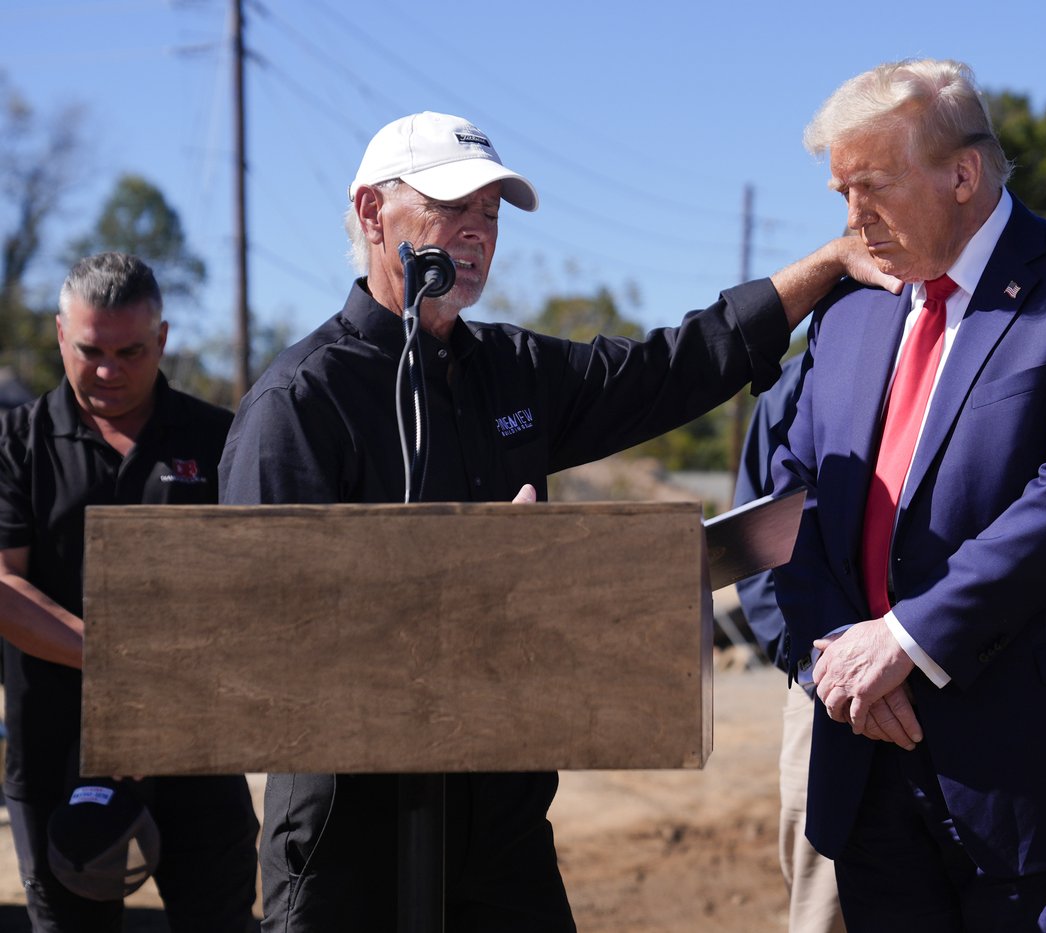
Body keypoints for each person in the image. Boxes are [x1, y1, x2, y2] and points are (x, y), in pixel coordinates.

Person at [217, 110, 895, 932]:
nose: (475, 233)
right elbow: (263, 639)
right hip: (351, 835)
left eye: (491, 214)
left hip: (501, 820)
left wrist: (827, 266)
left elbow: (671, 367)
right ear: (370, 212)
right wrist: (469, 577)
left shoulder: (512, 370)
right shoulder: (299, 403)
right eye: (450, 207)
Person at [767, 59, 1046, 932]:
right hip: (871, 760)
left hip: (1043, 779)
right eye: (840, 192)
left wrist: (906, 637)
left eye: (872, 188)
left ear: (962, 175)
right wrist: (838, 655)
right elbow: (794, 494)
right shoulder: (850, 307)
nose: (852, 220)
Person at [0, 253, 260, 932]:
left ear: (164, 339)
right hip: (57, 756)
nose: (109, 370)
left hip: (197, 754)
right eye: (90, 350)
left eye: (131, 350)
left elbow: (256, 586)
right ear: (60, 334)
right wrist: (121, 662)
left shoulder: (220, 438)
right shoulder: (15, 444)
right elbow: (2, 582)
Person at [734, 354, 846, 933]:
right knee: (823, 900)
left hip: (952, 676)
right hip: (825, 693)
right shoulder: (803, 378)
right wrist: (807, 660)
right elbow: (753, 532)